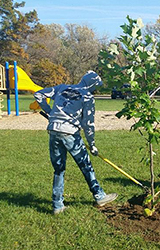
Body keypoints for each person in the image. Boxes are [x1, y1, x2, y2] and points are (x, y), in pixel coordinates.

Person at [34, 70, 118, 215]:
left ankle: (57, 205)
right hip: (70, 133)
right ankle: (99, 196)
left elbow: (38, 94)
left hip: (54, 131)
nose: (94, 90)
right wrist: (92, 145)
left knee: (59, 169)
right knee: (85, 165)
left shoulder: (62, 88)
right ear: (92, 85)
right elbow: (88, 124)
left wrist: (51, 112)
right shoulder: (87, 97)